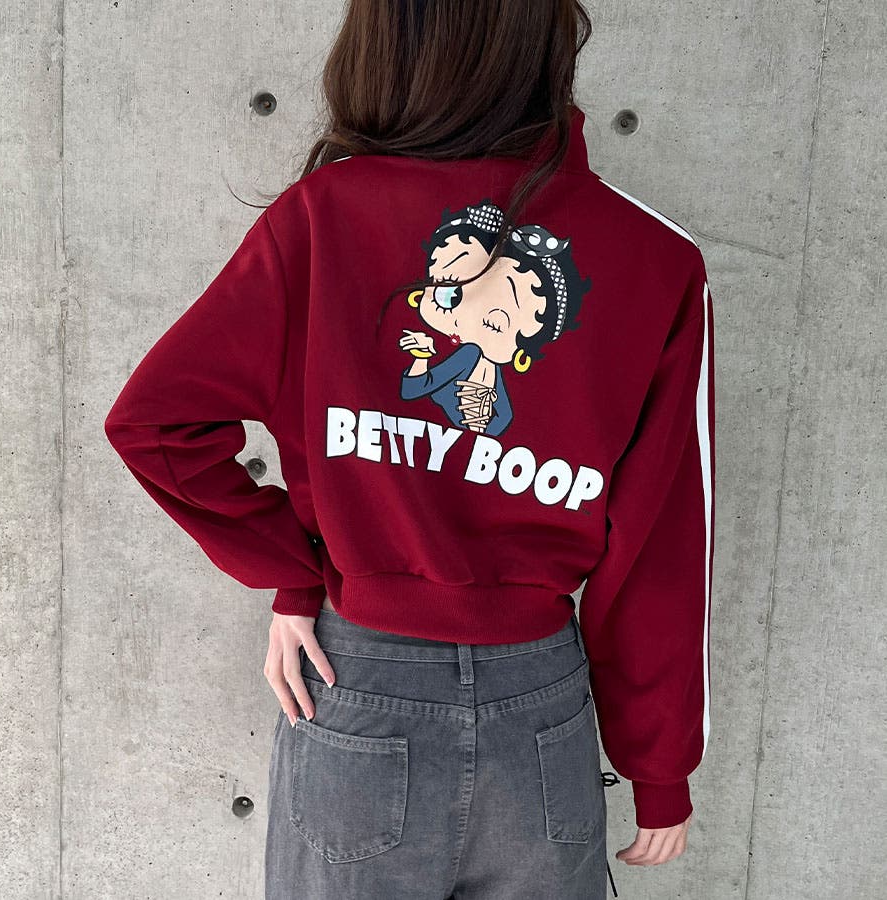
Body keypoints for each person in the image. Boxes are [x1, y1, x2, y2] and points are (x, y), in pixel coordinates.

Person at [104, 1, 715, 897]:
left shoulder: (324, 217)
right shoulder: (656, 257)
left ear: (389, 41)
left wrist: (299, 572)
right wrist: (657, 770)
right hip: (540, 709)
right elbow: (663, 546)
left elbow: (157, 423)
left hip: (357, 681)